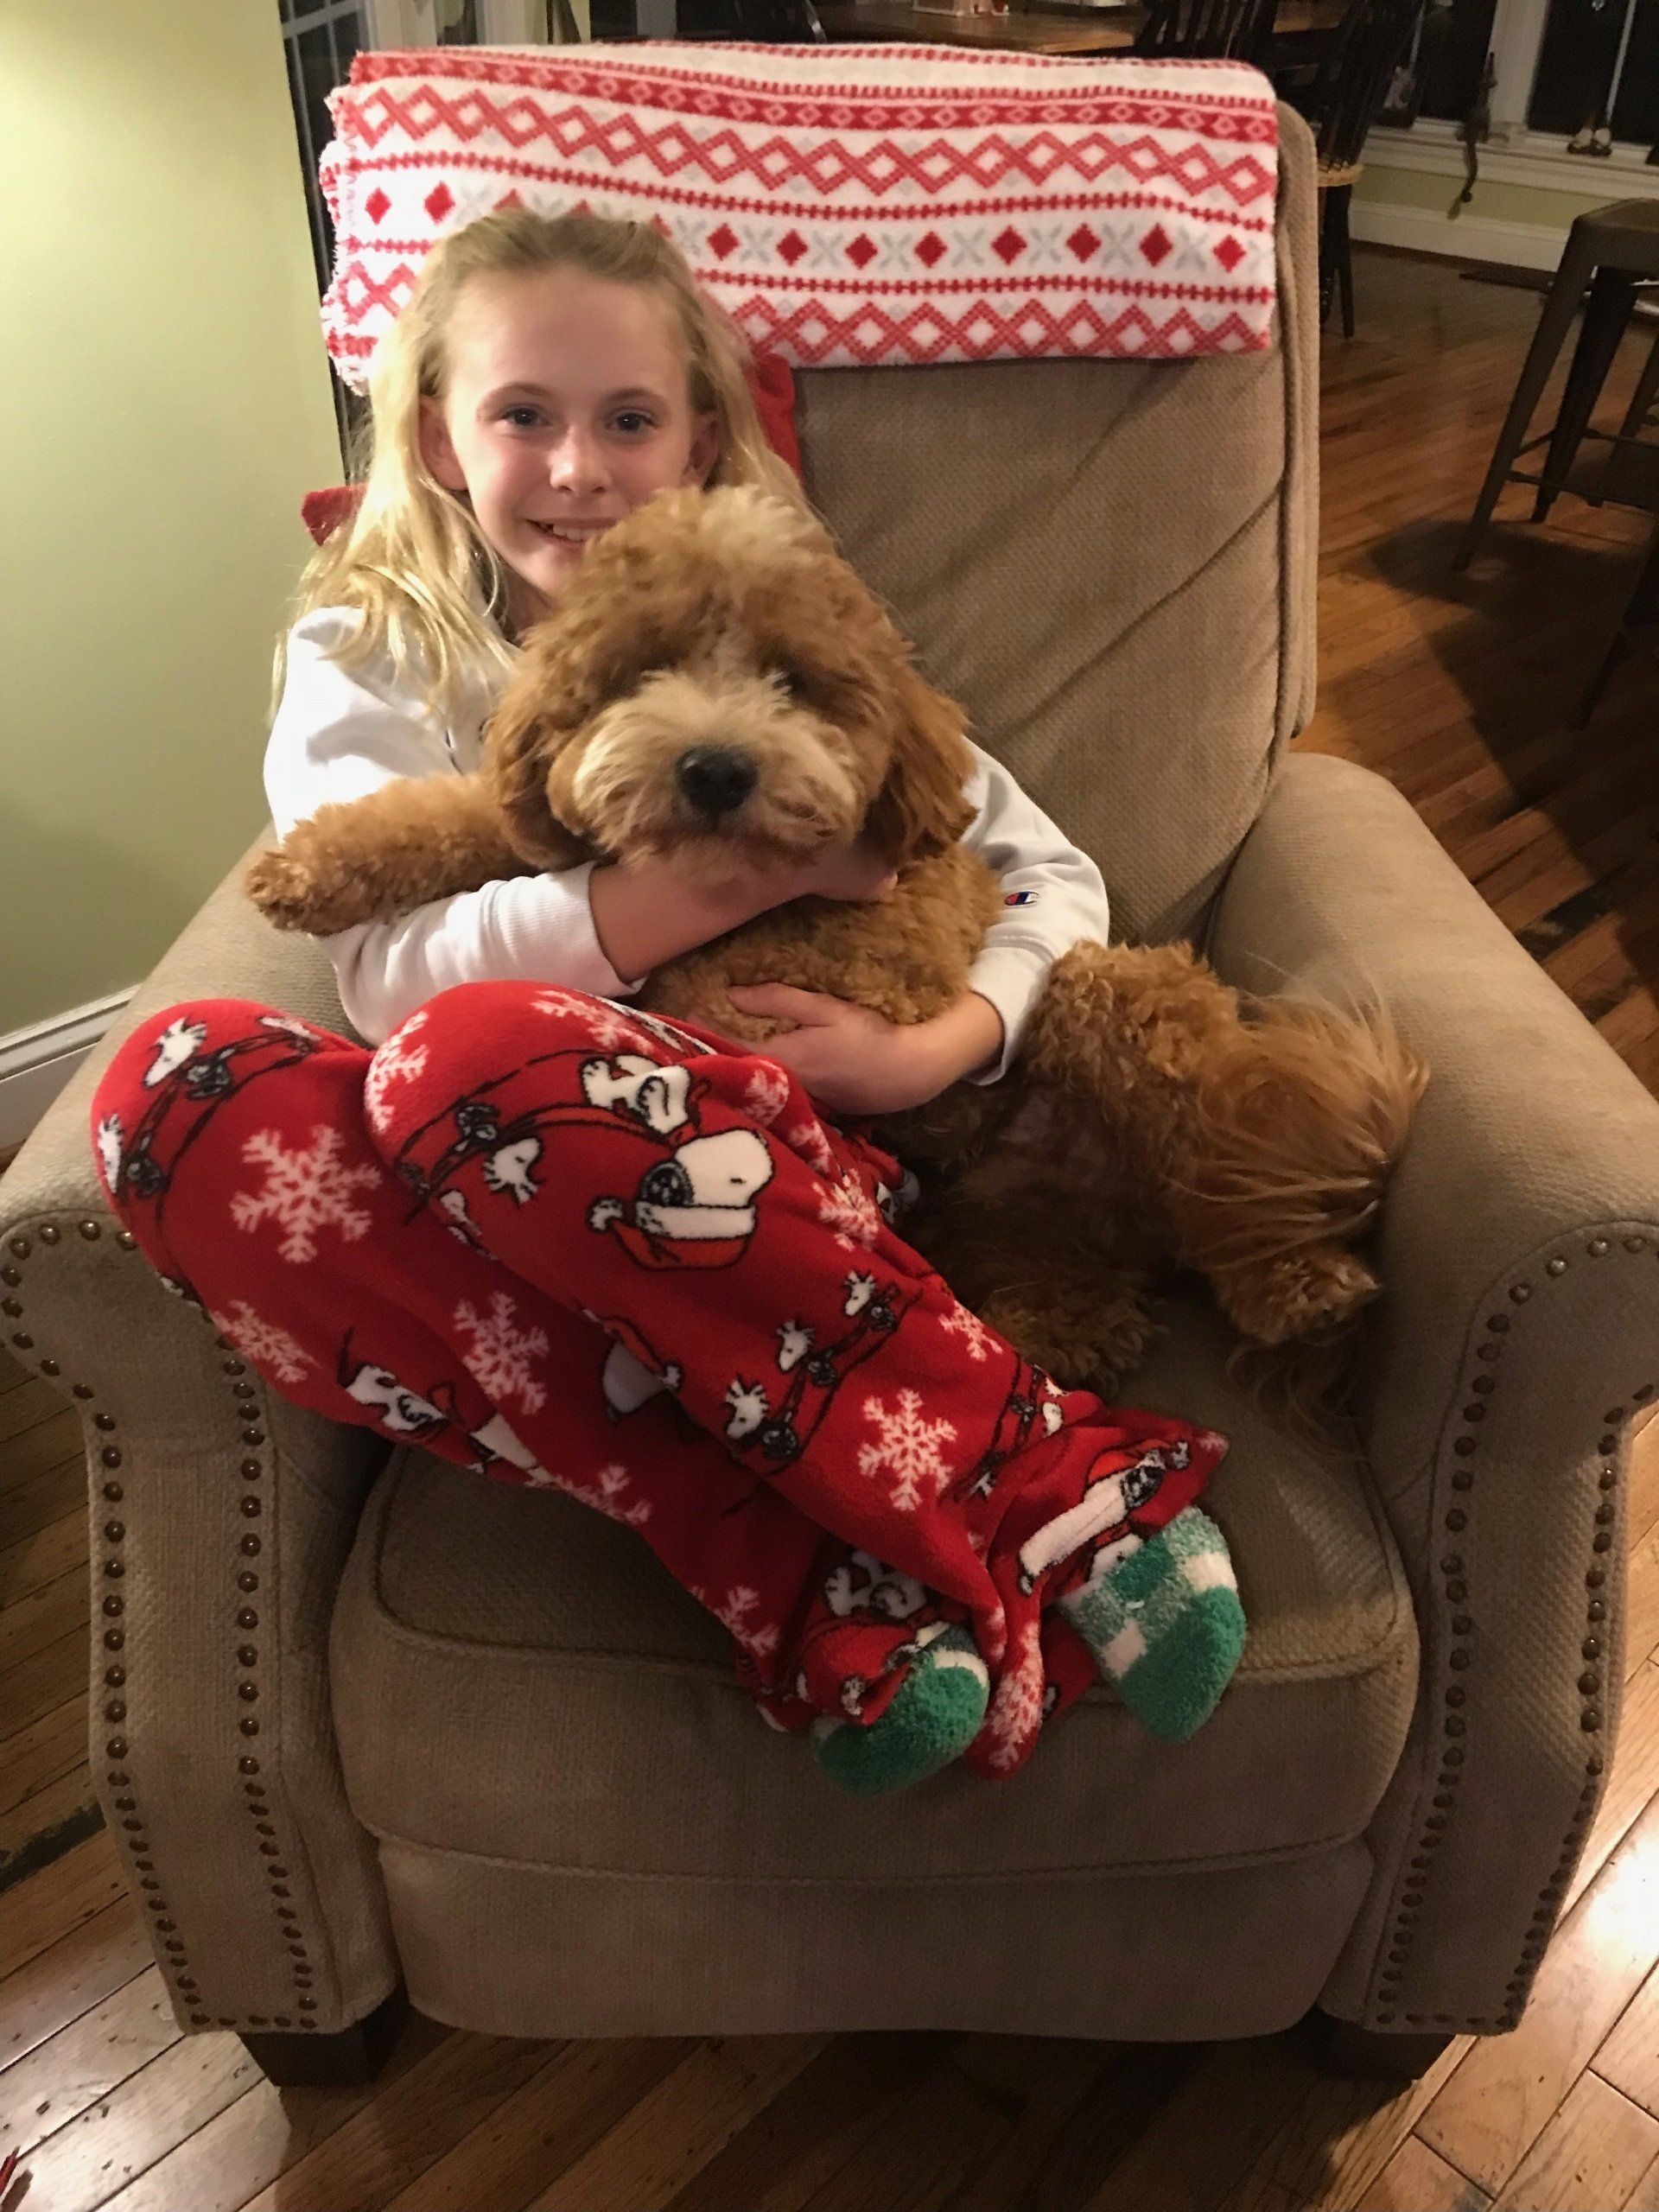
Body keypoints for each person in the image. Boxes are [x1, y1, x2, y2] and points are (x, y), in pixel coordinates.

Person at [92, 208, 1243, 1796]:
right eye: (524, 415)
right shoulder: (376, 652)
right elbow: (387, 981)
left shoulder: (793, 619)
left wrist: (937, 1047)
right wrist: (747, 875)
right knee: (169, 1093)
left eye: (628, 418)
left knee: (460, 1060)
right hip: (507, 1184)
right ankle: (810, 1539)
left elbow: (1048, 871)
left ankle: (1030, 1483)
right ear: (437, 433)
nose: (578, 466)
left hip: (794, 1180)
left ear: (702, 436)